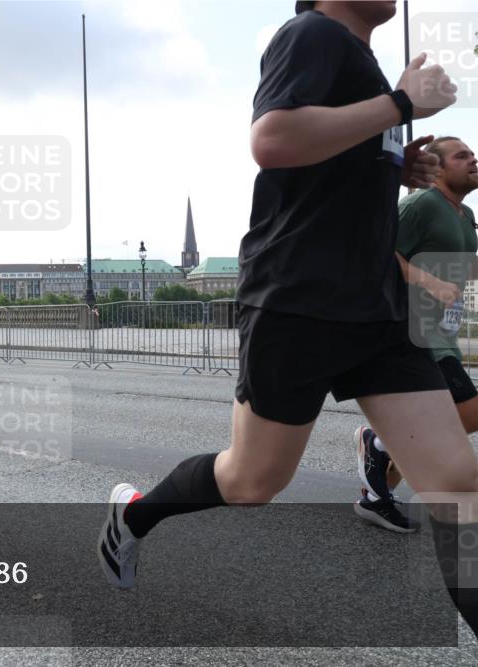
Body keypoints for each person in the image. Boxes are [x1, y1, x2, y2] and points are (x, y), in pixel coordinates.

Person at [97, 0, 478, 635]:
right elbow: (272, 140)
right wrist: (401, 104)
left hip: (378, 308)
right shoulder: (311, 34)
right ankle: (134, 515)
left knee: (457, 485)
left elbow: (326, 167)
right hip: (299, 300)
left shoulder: (363, 64)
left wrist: (394, 163)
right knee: (252, 481)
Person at [353, 136, 478, 532]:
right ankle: (379, 441)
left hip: (442, 331)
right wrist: (428, 282)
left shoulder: (465, 214)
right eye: (462, 155)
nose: (473, 159)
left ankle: (376, 495)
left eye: (473, 154)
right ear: (437, 168)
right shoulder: (421, 204)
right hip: (410, 327)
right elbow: (379, 249)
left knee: (444, 421)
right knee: (467, 412)